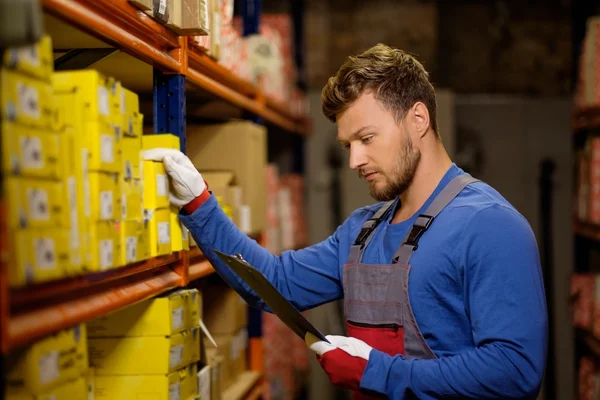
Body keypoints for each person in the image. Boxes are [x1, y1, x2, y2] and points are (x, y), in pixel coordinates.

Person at [144, 43, 548, 399]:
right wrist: (200, 206)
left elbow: (515, 371)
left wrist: (379, 373)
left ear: (418, 120)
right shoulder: (362, 231)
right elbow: (273, 285)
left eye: (367, 139)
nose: (355, 160)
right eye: (347, 145)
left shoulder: (490, 226)